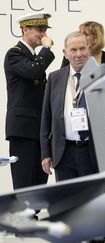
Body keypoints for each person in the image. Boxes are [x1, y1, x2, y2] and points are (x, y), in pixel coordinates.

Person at [4, 12, 54, 190]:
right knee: (24, 180)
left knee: (39, 179)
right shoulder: (14, 54)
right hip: (23, 129)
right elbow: (33, 71)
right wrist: (46, 50)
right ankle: (24, 217)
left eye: (45, 30)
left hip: (39, 128)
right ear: (25, 29)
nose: (43, 34)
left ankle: (34, 215)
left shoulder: (34, 57)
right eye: (40, 30)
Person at [40, 32, 99, 182]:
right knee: (66, 203)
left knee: (92, 202)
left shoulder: (103, 78)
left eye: (82, 49)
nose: (79, 54)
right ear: (65, 53)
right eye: (73, 50)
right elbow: (46, 118)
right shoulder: (55, 78)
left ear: (89, 50)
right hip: (63, 153)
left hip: (93, 153)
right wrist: (46, 154)